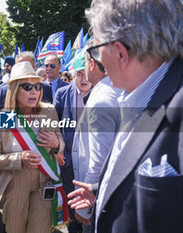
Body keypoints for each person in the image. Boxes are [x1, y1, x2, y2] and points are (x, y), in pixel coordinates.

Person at [68, 1, 183, 233]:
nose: (98, 62)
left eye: (96, 50)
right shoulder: (140, 94)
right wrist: (108, 189)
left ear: (120, 52)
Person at [0, 62, 66, 233]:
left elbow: (60, 140)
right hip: (15, 182)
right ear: (15, 90)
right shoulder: (5, 117)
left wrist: (57, 144)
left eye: (37, 86)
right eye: (27, 86)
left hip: (45, 182)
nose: (34, 91)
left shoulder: (49, 111)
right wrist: (19, 158)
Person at [70, 39, 121, 233]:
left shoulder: (102, 99)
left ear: (91, 64)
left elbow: (99, 160)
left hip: (100, 200)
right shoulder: (112, 91)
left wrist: (84, 208)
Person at [53, 53, 93, 233]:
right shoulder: (62, 94)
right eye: (79, 74)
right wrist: (58, 149)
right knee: (72, 205)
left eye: (85, 73)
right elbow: (54, 125)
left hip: (93, 162)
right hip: (68, 162)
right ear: (73, 75)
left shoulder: (103, 93)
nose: (83, 78)